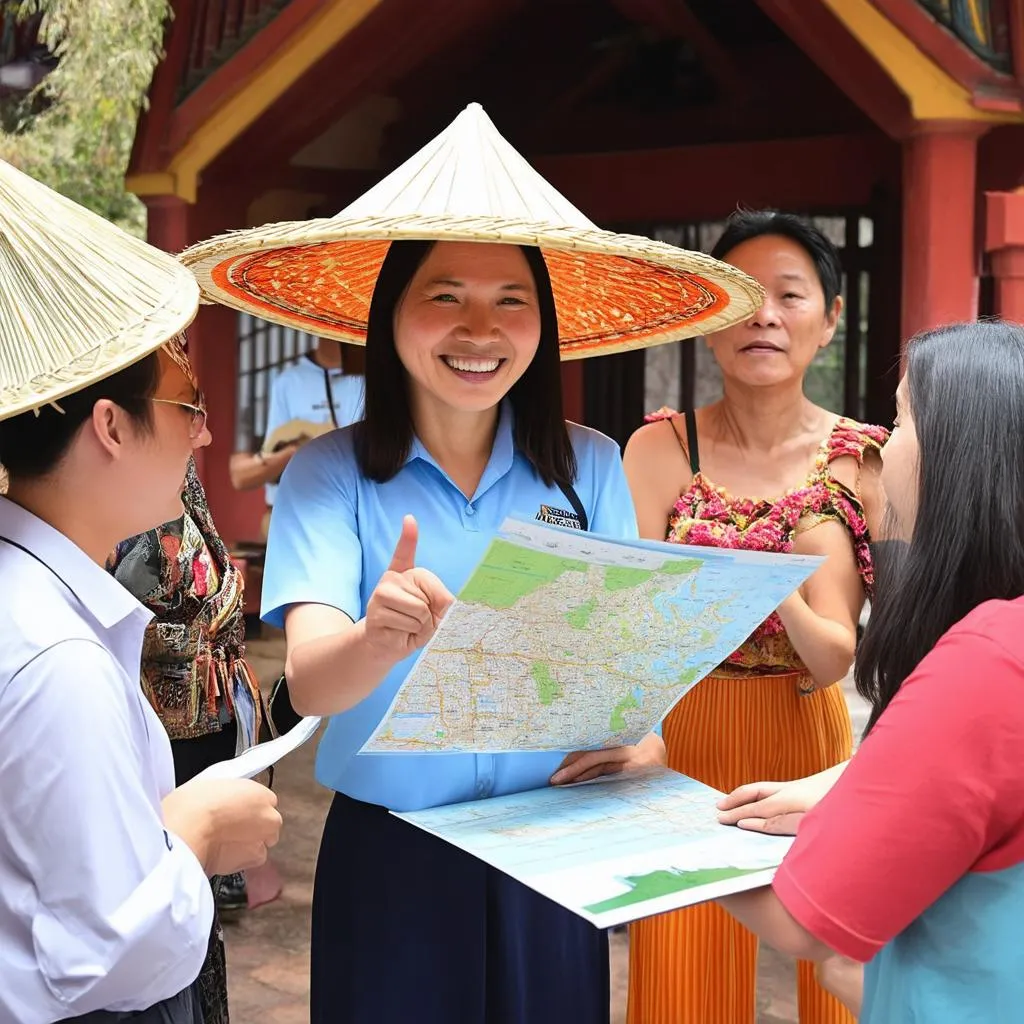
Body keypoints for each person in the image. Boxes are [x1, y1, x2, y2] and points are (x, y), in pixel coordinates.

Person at [179, 103, 762, 1024]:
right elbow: (314, 680)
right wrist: (376, 639)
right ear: (391, 316)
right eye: (444, 296)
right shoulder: (335, 474)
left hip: (553, 848)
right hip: (395, 854)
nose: (478, 330)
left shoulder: (592, 465)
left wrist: (642, 741)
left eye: (509, 301)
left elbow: (622, 678)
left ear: (544, 326)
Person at [0, 158, 281, 1023]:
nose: (202, 435)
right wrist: (194, 837)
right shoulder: (58, 659)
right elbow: (110, 957)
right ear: (111, 426)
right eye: (187, 402)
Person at [712, 319, 1024, 1022]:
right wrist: (852, 781)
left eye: (901, 419)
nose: (882, 445)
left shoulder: (985, 662)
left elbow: (804, 924)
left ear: (961, 455)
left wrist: (650, 837)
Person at [622, 210, 888, 1024]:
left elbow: (859, 646)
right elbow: (629, 618)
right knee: (681, 974)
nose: (764, 316)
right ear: (707, 315)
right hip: (684, 736)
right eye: (741, 296)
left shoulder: (862, 459)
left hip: (811, 740)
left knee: (837, 971)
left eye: (789, 295)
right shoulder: (659, 448)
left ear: (831, 317)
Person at [107, 456, 271, 1023]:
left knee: (194, 918)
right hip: (154, 732)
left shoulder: (180, 470)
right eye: (187, 409)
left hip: (207, 719)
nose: (201, 429)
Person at [229, 337, 364, 539]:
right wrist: (299, 448)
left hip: (354, 514)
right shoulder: (288, 382)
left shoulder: (369, 380)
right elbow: (253, 466)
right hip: (297, 516)